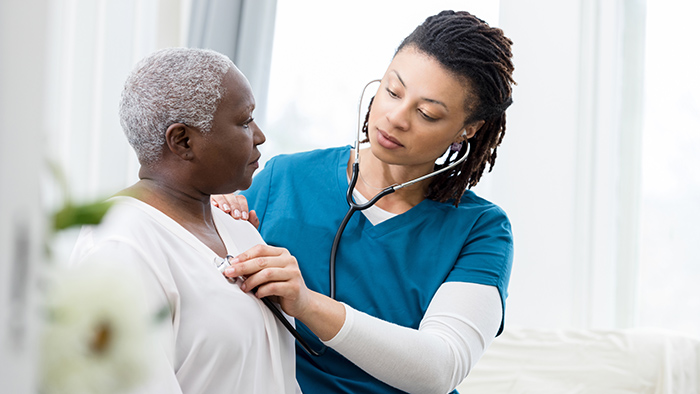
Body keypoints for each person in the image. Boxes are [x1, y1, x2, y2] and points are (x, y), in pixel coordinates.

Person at [212, 10, 516, 394]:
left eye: (426, 113)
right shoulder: (285, 178)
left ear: (467, 130)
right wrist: (210, 213)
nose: (395, 117)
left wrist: (306, 303)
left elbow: (440, 369)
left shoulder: (481, 229)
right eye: (392, 90)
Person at [69, 48, 302, 393]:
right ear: (183, 141)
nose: (259, 136)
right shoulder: (119, 247)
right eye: (244, 121)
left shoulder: (241, 230)